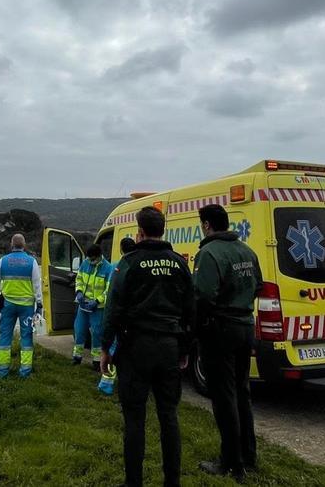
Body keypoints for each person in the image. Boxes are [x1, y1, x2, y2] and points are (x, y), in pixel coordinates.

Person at [100, 207, 194, 487]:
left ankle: (133, 482)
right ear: (162, 230)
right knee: (169, 416)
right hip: (169, 347)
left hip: (136, 348)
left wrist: (105, 347)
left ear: (139, 232)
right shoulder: (179, 263)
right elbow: (190, 311)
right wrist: (185, 349)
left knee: (134, 418)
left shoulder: (129, 263)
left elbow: (113, 308)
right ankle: (172, 482)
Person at [193, 204, 264, 480]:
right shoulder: (247, 251)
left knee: (224, 398)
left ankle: (231, 463)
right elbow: (258, 285)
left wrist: (195, 330)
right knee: (242, 392)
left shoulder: (209, 253)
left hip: (221, 330)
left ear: (208, 225)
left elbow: (202, 296)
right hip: (246, 326)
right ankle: (249, 454)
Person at [0, 233, 43, 378]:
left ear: (11, 244)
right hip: (26, 306)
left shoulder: (3, 261)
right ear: (24, 245)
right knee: (26, 337)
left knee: (4, 337)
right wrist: (39, 303)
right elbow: (37, 285)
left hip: (7, 305)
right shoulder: (31, 262)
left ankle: (2, 371)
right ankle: (25, 371)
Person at [97, 237, 136, 395]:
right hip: (135, 319)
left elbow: (111, 293)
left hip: (119, 317)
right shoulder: (140, 265)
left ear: (121, 249)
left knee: (112, 350)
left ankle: (106, 384)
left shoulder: (117, 267)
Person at [73, 243, 114, 368]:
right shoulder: (85, 263)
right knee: (79, 331)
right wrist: (79, 292)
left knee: (97, 333)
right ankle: (77, 357)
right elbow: (79, 279)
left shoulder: (108, 268)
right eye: (89, 259)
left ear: (99, 256)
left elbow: (108, 290)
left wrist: (97, 301)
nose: (90, 261)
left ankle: (97, 361)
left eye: (92, 259)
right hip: (83, 305)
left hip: (97, 308)